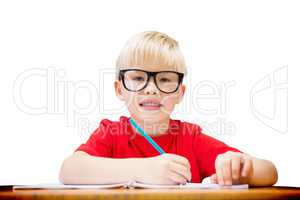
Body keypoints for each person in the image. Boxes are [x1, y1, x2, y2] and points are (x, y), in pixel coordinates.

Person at [59, 31, 278, 186]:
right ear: (119, 89)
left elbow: (269, 172)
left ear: (180, 93)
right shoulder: (111, 134)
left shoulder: (190, 138)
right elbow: (69, 170)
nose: (152, 89)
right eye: (138, 78)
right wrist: (144, 170)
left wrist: (240, 169)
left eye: (164, 79)